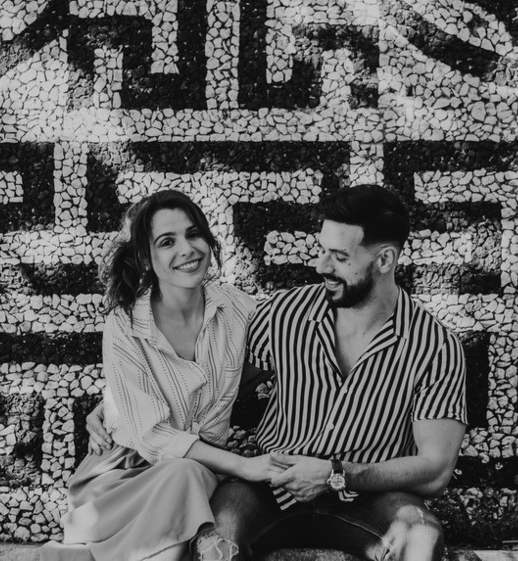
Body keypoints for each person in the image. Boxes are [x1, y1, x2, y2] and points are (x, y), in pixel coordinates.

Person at [88, 184, 468, 561]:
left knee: (421, 538)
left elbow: (435, 471)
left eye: (339, 256)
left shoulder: (435, 347)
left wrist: (338, 473)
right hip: (268, 488)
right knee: (217, 542)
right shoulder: (285, 314)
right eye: (322, 250)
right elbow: (211, 374)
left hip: (369, 497)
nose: (321, 266)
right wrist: (118, 405)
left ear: (384, 260)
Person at [48, 190, 285, 561]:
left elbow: (295, 341)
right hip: (117, 482)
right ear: (146, 257)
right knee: (186, 476)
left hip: (195, 474)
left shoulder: (237, 309)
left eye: (194, 234)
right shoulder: (125, 323)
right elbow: (154, 436)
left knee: (189, 476)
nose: (187, 249)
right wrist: (245, 466)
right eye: (167, 241)